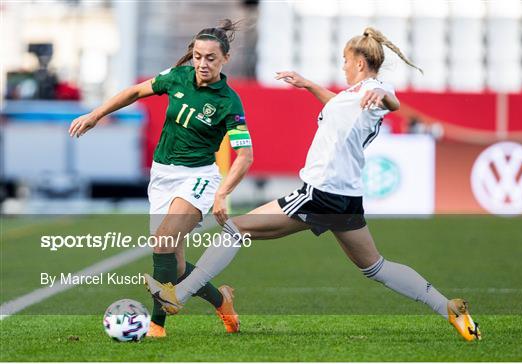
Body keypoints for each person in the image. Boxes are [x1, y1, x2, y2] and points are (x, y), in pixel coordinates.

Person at [145, 27, 481, 341]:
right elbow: (340, 105)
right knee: (376, 267)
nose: (344, 66)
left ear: (360, 63)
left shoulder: (374, 91)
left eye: (346, 61)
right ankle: (448, 306)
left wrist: (380, 91)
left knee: (235, 227)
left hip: (318, 192)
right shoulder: (352, 96)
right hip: (345, 198)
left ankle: (180, 295)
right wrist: (308, 85)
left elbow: (388, 100)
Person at [69, 19, 253, 337]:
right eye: (197, 56)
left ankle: (157, 325)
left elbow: (245, 156)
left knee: (163, 239)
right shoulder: (177, 76)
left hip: (198, 178)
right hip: (162, 176)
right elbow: (136, 91)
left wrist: (223, 192)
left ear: (225, 59)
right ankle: (221, 300)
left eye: (210, 58)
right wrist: (96, 114)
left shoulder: (228, 102)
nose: (202, 63)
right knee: (175, 265)